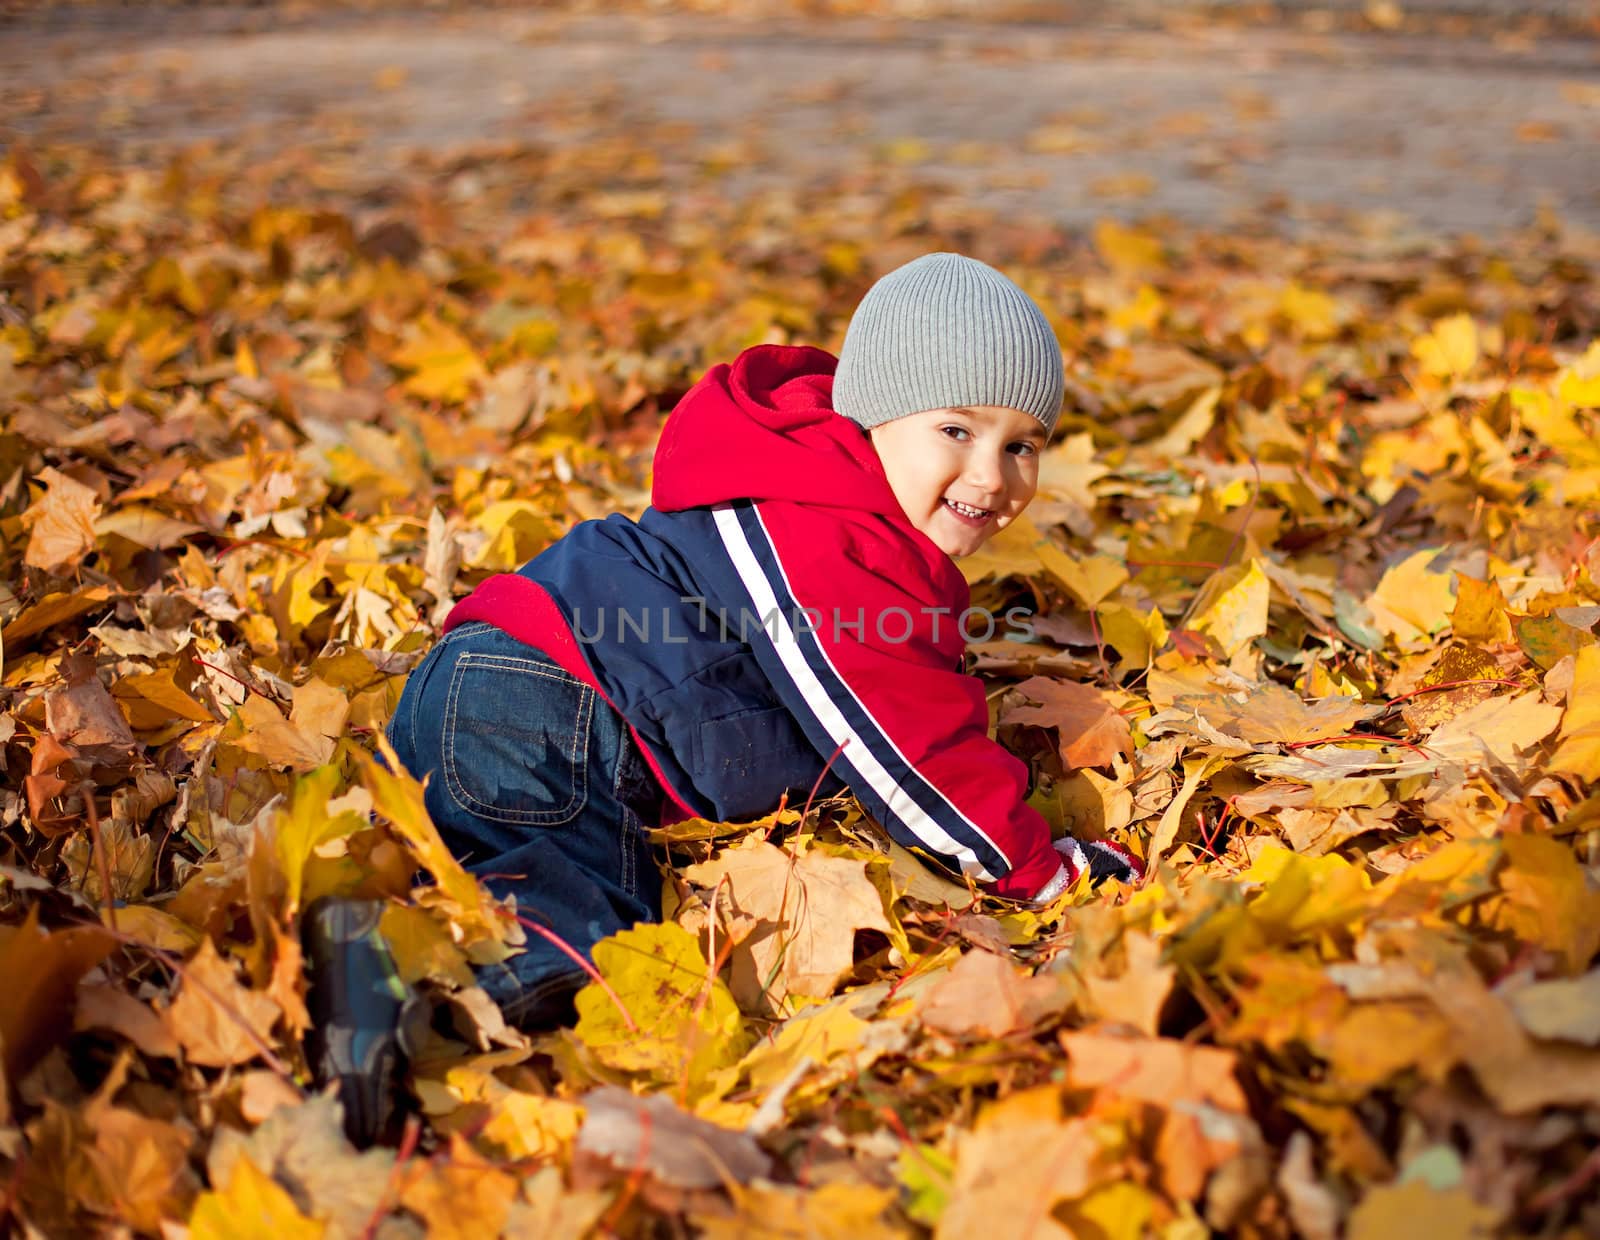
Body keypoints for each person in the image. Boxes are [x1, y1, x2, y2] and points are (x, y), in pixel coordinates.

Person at [304, 252, 1142, 1144]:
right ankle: (390, 990)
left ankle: (402, 952)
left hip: (514, 691)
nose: (993, 475)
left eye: (1022, 446)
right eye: (956, 431)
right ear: (873, 418)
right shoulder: (830, 541)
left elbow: (899, 692)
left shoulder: (818, 498)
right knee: (596, 946)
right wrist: (1044, 871)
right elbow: (913, 757)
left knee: (518, 883)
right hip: (543, 710)